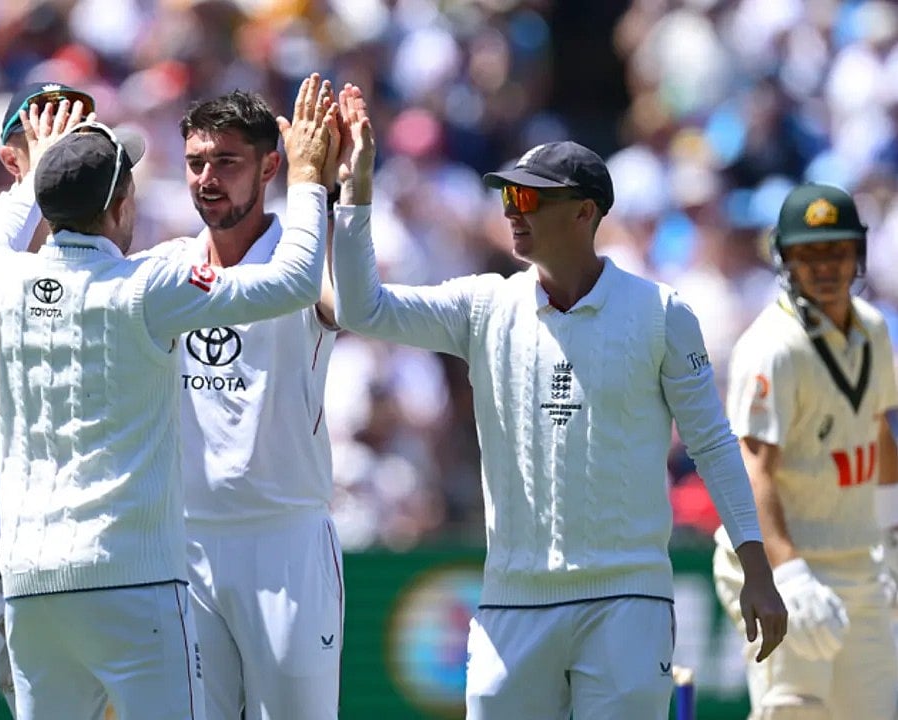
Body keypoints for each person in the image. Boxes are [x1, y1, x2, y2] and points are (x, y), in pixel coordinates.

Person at [327, 84, 788, 720]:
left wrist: (756, 568)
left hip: (629, 599)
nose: (512, 211)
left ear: (584, 213)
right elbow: (361, 307)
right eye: (508, 196)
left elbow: (711, 443)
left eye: (529, 197)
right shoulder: (484, 305)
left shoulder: (660, 313)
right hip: (511, 602)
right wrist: (356, 194)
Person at [0, 72, 337, 720]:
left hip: (31, 581)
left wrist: (39, 173)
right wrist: (308, 179)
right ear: (119, 207)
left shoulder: (3, 278)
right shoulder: (148, 285)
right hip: (132, 574)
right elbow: (298, 277)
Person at [139, 86, 344, 720]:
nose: (207, 179)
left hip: (285, 541)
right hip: (186, 543)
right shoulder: (165, 268)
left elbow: (346, 307)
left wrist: (340, 185)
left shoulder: (305, 262)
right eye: (196, 161)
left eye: (227, 161)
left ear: (271, 166)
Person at [712, 182, 898, 718]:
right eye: (808, 253)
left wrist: (891, 534)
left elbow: (879, 431)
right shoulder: (772, 346)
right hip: (783, 563)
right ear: (784, 259)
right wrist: (787, 572)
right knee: (794, 710)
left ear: (857, 254)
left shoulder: (875, 330)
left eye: (836, 250)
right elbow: (751, 467)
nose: (824, 266)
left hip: (858, 561)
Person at [0, 80, 96, 720]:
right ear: (14, 159)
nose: (68, 151)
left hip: (78, 530)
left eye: (81, 137)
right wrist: (43, 176)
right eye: (47, 135)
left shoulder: (107, 254)